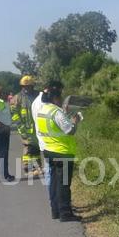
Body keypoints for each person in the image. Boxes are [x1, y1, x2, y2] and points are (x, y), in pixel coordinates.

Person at [35, 81, 81, 221]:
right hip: (62, 152)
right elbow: (70, 130)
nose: (61, 100)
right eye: (60, 98)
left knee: (55, 182)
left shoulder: (42, 111)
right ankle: (65, 213)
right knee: (64, 184)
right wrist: (75, 121)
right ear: (55, 98)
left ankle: (55, 211)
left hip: (49, 150)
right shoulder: (56, 112)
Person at [11, 75, 41, 176]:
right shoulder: (17, 98)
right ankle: (27, 168)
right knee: (28, 147)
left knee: (37, 147)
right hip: (25, 127)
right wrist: (20, 125)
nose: (26, 88)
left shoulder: (38, 95)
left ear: (32, 86)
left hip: (38, 126)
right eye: (24, 86)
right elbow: (14, 113)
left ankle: (36, 167)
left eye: (28, 86)